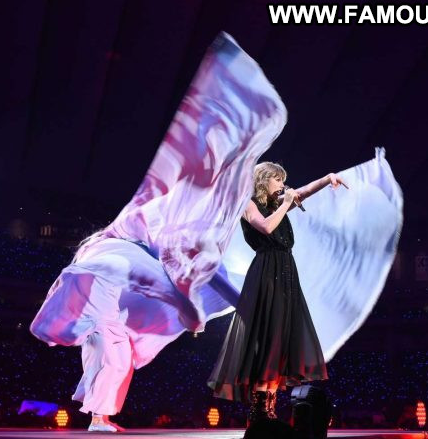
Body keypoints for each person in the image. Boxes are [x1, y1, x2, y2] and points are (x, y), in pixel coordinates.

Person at [30, 33, 288, 432]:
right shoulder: (179, 208)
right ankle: (100, 413)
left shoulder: (201, 223)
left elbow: (206, 271)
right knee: (126, 328)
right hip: (116, 256)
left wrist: (244, 303)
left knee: (116, 342)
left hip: (123, 268)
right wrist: (207, 307)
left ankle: (100, 416)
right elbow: (185, 268)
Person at [207, 162, 347, 422]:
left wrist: (327, 178)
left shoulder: (278, 204)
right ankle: (259, 408)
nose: (282, 185)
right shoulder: (248, 204)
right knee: (268, 335)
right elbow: (265, 227)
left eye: (283, 180)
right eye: (278, 179)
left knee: (281, 336)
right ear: (264, 180)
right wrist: (286, 203)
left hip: (286, 272)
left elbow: (303, 191)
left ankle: (269, 404)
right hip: (266, 272)